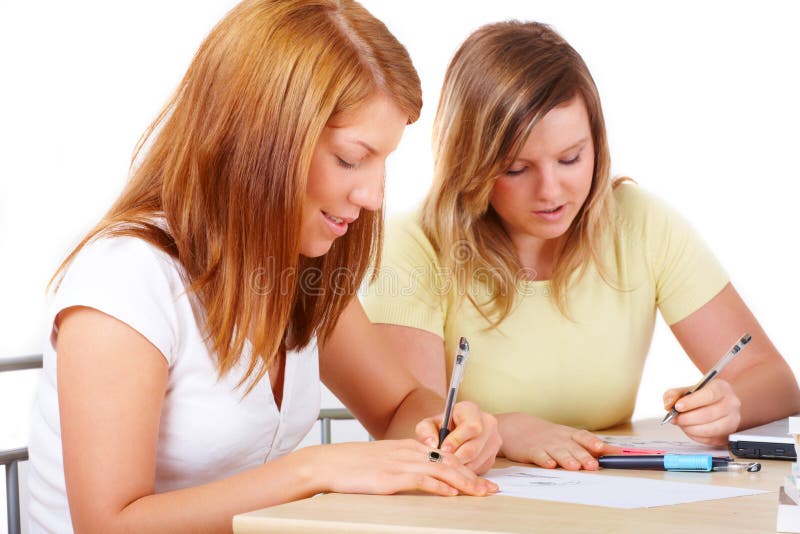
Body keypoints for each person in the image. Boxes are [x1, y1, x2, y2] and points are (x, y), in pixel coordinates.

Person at [26, 1, 502, 532]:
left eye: (383, 163)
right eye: (350, 159)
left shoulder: (300, 267)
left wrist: (441, 430)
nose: (371, 196)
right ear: (262, 139)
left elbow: (400, 404)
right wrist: (314, 470)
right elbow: (109, 525)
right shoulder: (126, 279)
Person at [360, 20, 800, 471]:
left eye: (571, 158)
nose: (551, 191)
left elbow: (779, 384)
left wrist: (732, 404)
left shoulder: (641, 224)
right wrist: (506, 429)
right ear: (470, 161)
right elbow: (410, 423)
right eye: (515, 169)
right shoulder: (416, 245)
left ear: (597, 143)